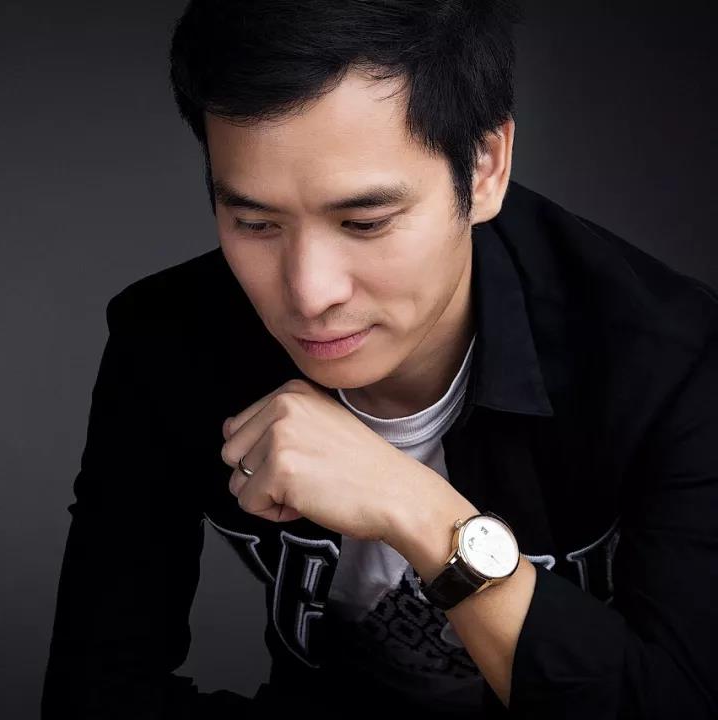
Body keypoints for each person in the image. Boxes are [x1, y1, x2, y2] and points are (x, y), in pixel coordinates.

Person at [41, 1, 718, 717]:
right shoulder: (170, 342)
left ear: (485, 166)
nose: (309, 294)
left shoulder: (668, 361)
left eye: (364, 222)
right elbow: (97, 693)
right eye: (255, 223)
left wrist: (417, 511)